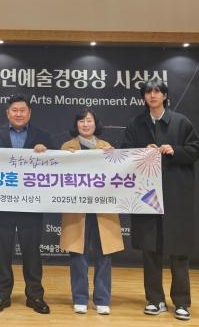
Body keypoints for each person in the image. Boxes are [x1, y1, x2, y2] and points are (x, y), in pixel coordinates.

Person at [121, 79, 199, 321]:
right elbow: (124, 153)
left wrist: (175, 150)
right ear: (143, 97)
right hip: (147, 195)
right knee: (150, 250)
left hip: (176, 194)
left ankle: (182, 302)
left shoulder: (181, 121)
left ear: (165, 96)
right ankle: (154, 300)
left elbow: (196, 150)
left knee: (179, 250)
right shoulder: (136, 123)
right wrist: (141, 151)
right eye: (148, 92)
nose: (153, 95)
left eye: (157, 91)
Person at [0, 94, 55, 314]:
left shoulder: (43, 136)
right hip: (2, 203)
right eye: (14, 110)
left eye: (23, 110)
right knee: (1, 253)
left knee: (32, 253)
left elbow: (57, 167)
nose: (19, 114)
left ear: (29, 113)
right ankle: (1, 296)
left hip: (31, 204)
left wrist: (47, 153)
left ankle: (35, 296)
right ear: (8, 113)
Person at [60, 108, 124, 315]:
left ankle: (102, 299)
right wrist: (65, 160)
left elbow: (118, 176)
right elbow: (58, 177)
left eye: (89, 121)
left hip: (102, 209)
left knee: (104, 253)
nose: (85, 124)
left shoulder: (107, 147)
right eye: (81, 121)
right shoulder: (67, 147)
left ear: (96, 124)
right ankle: (79, 297)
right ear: (76, 125)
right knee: (77, 254)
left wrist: (114, 158)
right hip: (77, 209)